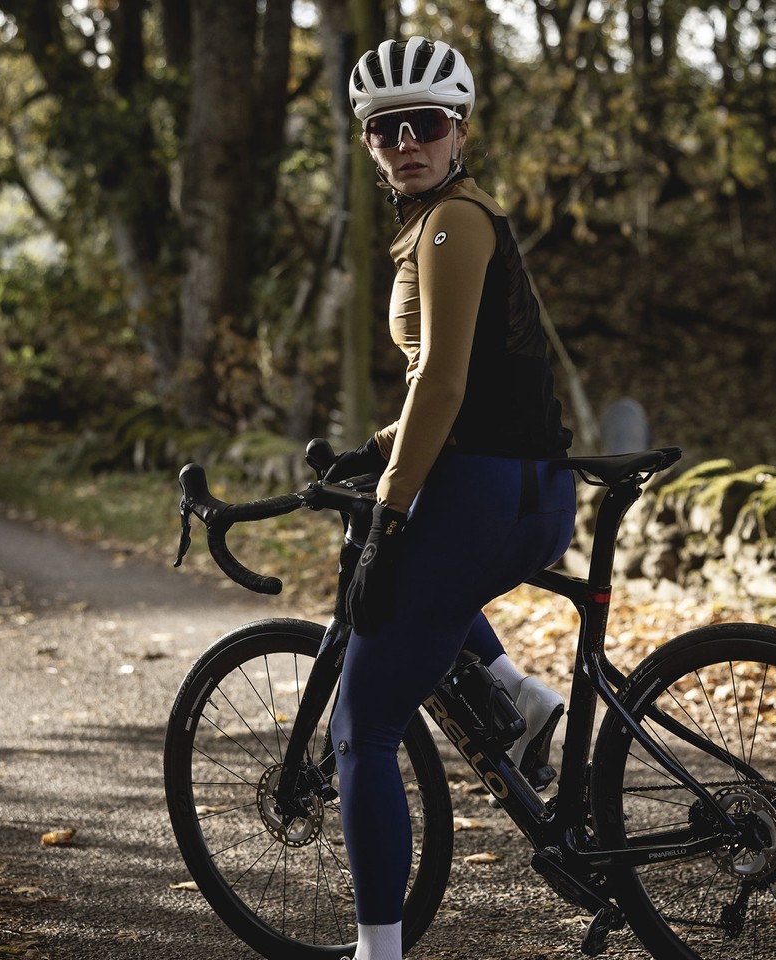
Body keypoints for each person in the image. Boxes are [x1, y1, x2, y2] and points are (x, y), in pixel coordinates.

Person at [326, 36, 577, 960]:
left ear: (459, 129)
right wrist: (382, 450)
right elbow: (473, 385)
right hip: (518, 489)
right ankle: (520, 696)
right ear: (369, 142)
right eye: (383, 129)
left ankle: (378, 951)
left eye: (423, 124)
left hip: (485, 496)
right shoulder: (440, 219)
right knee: (396, 583)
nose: (405, 142)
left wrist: (391, 502)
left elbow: (443, 380)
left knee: (362, 727)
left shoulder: (450, 223)